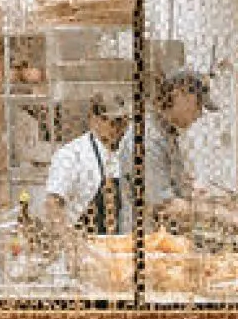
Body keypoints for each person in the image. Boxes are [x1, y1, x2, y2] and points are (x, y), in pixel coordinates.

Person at [125, 68, 217, 222]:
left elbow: (172, 188)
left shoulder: (167, 134)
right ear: (178, 94)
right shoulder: (148, 139)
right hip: (145, 239)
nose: (199, 113)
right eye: (198, 104)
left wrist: (192, 192)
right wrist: (217, 213)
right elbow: (165, 206)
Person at [42, 94, 131, 234]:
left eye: (121, 121)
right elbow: (53, 204)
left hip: (121, 245)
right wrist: (68, 239)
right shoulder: (72, 155)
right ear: (93, 120)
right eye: (109, 121)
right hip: (85, 243)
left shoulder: (129, 153)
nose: (116, 128)